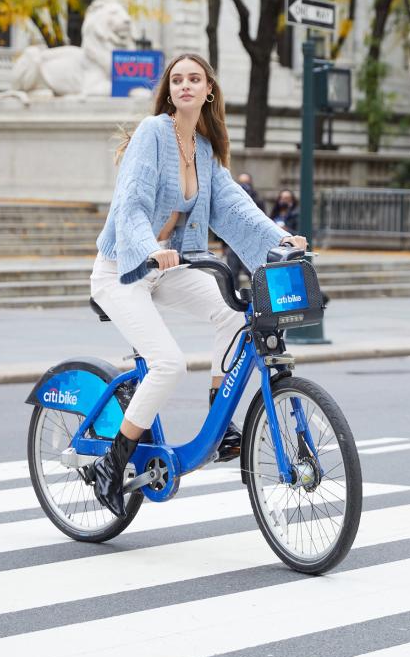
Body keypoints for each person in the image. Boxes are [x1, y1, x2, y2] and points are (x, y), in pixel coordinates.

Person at [88, 53, 307, 518]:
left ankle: (220, 418)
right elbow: (131, 201)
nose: (185, 85)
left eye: (195, 79)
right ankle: (113, 463)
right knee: (168, 364)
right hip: (124, 268)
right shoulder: (153, 135)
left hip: (168, 267)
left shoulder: (203, 150)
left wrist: (280, 238)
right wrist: (149, 246)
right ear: (169, 91)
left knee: (235, 313)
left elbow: (235, 207)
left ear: (209, 90)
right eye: (177, 79)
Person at [225, 172, 267, 289]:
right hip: (234, 243)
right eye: (241, 183)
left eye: (246, 183)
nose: (244, 186)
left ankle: (261, 300)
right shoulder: (232, 199)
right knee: (233, 274)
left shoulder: (257, 200)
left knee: (253, 273)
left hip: (251, 243)